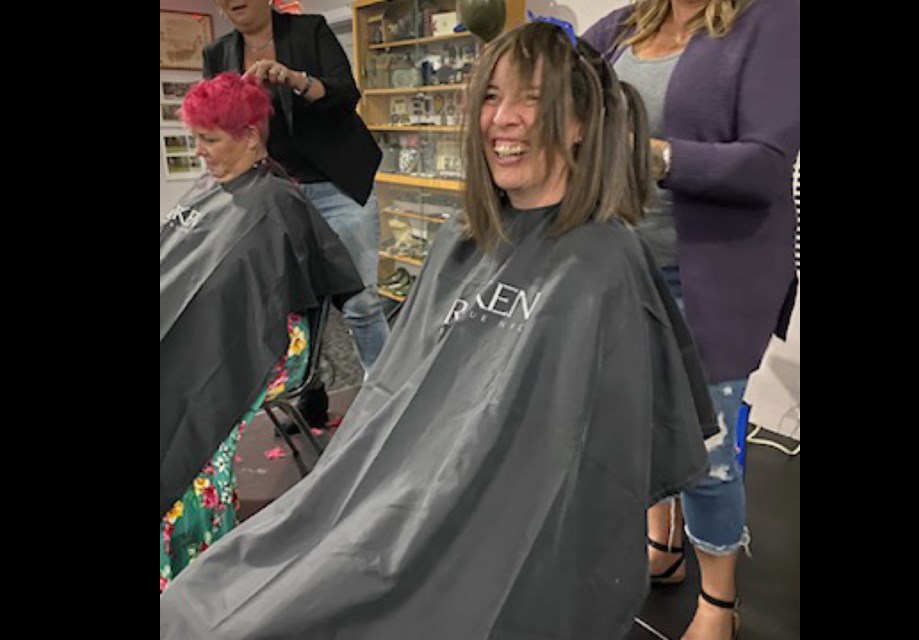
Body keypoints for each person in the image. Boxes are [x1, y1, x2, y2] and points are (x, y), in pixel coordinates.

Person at [160, 22, 715, 639]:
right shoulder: (461, 238)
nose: (503, 118)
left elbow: (589, 463)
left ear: (581, 122)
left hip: (485, 530)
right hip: (395, 493)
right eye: (490, 96)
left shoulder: (603, 267)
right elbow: (400, 393)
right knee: (206, 597)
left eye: (532, 98)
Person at [583, 1, 801, 638]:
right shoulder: (625, 26)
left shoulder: (774, 19)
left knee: (707, 452)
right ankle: (664, 547)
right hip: (622, 268)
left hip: (711, 278)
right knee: (641, 424)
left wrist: (652, 157)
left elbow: (764, 162)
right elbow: (556, 87)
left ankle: (720, 604)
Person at [159, 73, 363, 594]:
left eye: (211, 139)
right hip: (207, 333)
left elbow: (275, 301)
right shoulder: (213, 192)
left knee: (192, 442)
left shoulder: (279, 203)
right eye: (196, 139)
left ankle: (192, 578)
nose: (200, 153)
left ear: (250, 135)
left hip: (263, 346)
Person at [203, 0, 389, 382]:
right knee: (294, 311)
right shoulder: (217, 54)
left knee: (360, 302)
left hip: (338, 184)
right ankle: (311, 394)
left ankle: (387, 399)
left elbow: (345, 95)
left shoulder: (310, 30)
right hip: (275, 195)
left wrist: (295, 79)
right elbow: (218, 122)